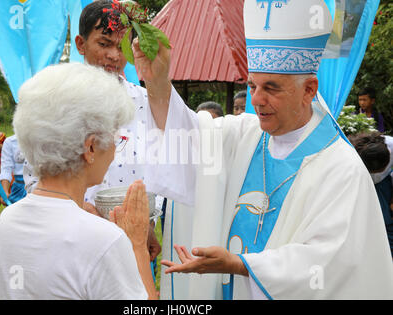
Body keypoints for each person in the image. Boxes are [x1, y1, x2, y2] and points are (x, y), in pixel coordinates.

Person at [157, 0, 393, 299]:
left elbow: (329, 263)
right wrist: (157, 81)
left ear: (309, 90)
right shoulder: (247, 134)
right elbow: (186, 135)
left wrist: (240, 264)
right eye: (253, 86)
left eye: (271, 88)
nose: (256, 100)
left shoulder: (341, 168)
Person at [24, 0, 193, 263]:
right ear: (81, 44)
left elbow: (162, 163)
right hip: (72, 238)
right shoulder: (55, 98)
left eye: (122, 45)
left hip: (132, 239)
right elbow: (35, 177)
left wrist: (147, 221)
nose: (114, 55)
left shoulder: (147, 101)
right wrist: (81, 209)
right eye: (104, 44)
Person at [0, 63, 158, 300]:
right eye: (116, 136)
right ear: (90, 147)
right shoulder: (105, 240)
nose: (115, 147)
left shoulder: (8, 220)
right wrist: (136, 246)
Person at [350, 131, 393, 256]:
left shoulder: (392, 145)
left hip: (384, 183)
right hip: (360, 182)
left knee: (386, 218)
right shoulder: (350, 154)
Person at [0, 135, 27, 205]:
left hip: (39, 188)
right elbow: (6, 168)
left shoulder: (43, 139)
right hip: (19, 188)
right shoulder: (10, 142)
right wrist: (5, 191)